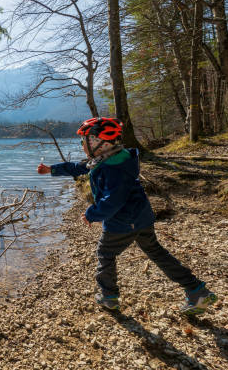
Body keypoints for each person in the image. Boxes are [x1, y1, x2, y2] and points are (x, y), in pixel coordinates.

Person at [37, 117, 217, 315]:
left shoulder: (112, 169)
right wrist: (52, 169)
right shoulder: (113, 157)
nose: (82, 145)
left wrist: (91, 214)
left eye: (85, 141)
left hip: (124, 222)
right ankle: (196, 290)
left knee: (105, 254)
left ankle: (109, 297)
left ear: (102, 143)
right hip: (141, 217)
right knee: (156, 252)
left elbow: (112, 202)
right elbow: (80, 167)